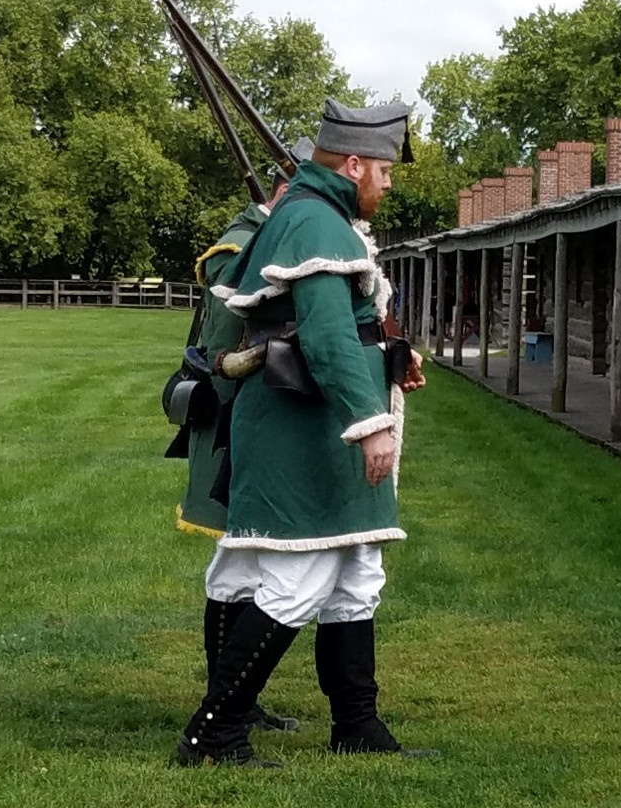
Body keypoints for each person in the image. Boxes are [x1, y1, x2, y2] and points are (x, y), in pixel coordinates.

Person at [176, 98, 429, 768]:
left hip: (308, 423)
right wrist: (371, 424)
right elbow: (321, 334)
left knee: (351, 572)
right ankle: (213, 735)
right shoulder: (318, 223)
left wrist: (393, 362)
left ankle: (356, 724)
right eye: (383, 173)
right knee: (298, 578)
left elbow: (343, 328)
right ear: (353, 164)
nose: (386, 185)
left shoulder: (311, 216)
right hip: (307, 429)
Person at [176, 137, 315, 733]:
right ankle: (223, 704)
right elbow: (233, 305)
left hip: (257, 412)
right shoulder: (245, 237)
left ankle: (233, 700)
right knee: (238, 562)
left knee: (248, 563)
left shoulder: (275, 232)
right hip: (235, 413)